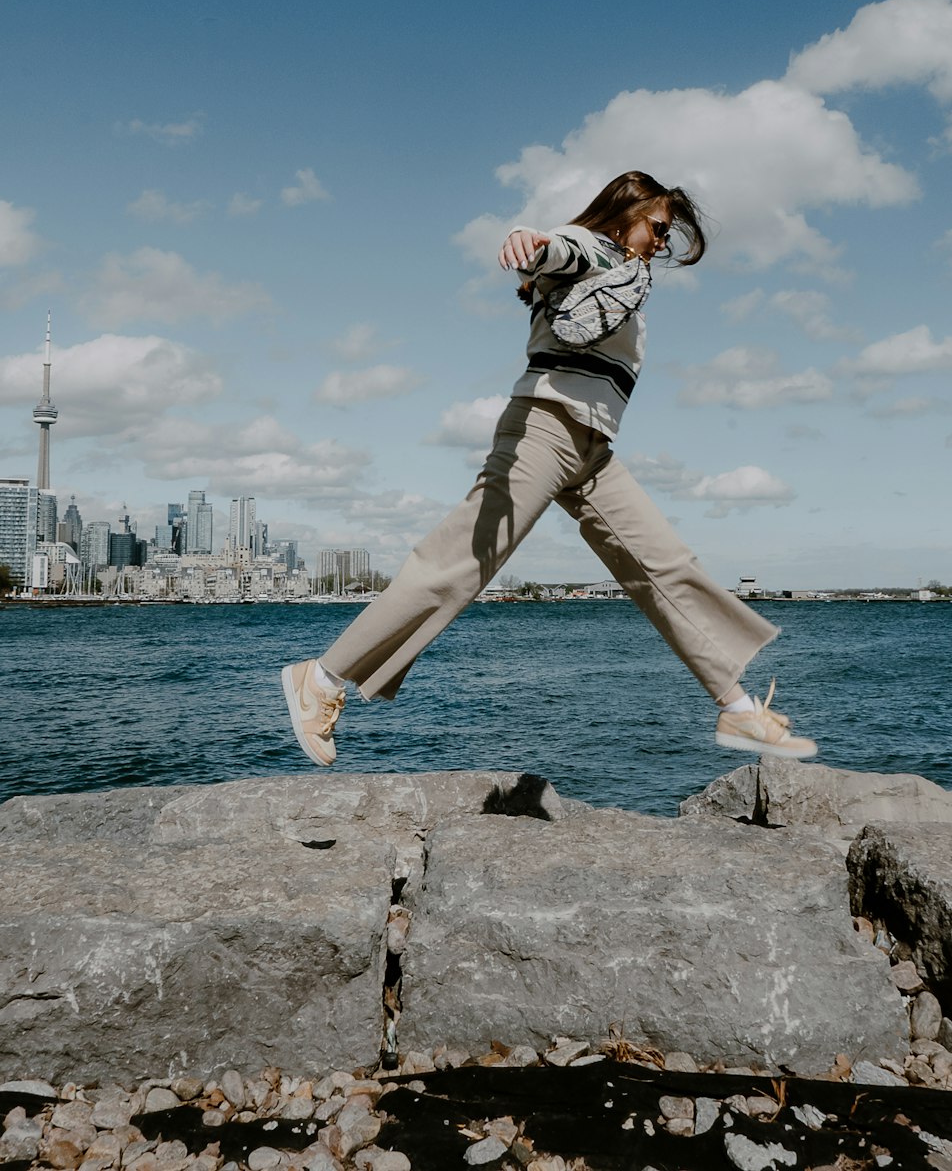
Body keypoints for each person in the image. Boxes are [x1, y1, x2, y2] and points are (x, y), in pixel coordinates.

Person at [282, 170, 817, 767]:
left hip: (592, 448)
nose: (661, 243)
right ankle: (321, 679)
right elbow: (560, 248)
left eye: (668, 235)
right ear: (625, 215)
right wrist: (530, 240)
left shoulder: (624, 279)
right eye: (658, 228)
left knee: (662, 564)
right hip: (544, 427)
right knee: (459, 564)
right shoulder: (595, 249)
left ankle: (738, 709)